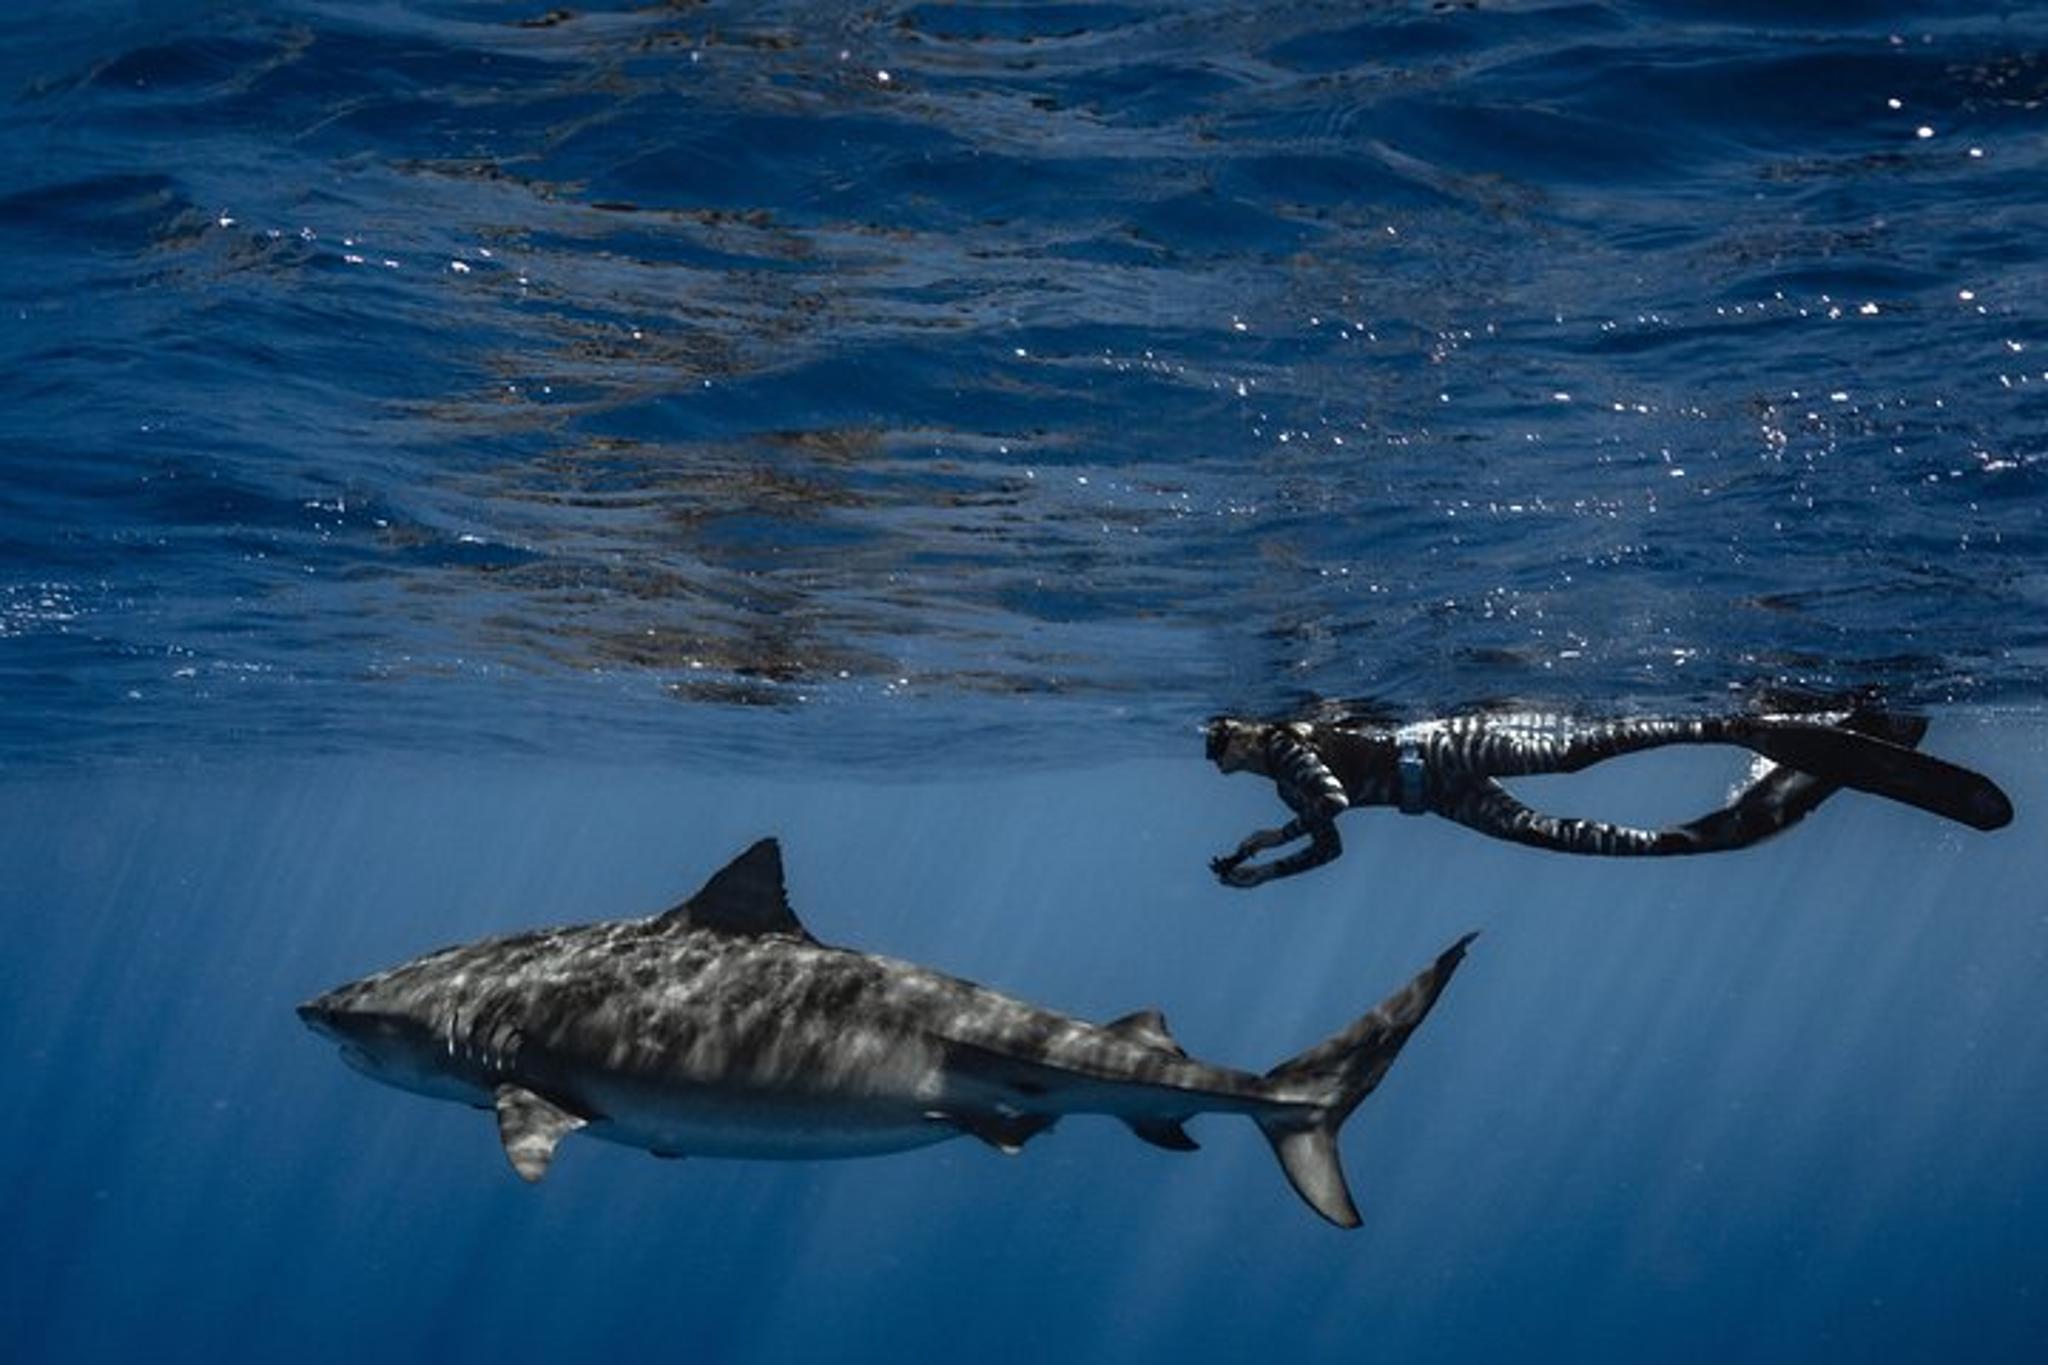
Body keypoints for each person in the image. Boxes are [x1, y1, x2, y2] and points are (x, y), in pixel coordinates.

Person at [1204, 705, 2013, 888]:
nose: (1224, 755)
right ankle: (1727, 823)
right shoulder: (1279, 771)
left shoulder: (1285, 746)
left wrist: (1270, 841)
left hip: (1445, 747)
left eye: (1223, 741)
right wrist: (1263, 867)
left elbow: (1331, 805)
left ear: (1244, 732)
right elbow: (1330, 842)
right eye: (1220, 750)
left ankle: (1732, 723)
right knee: (1579, 836)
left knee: (1579, 752)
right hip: (1438, 799)